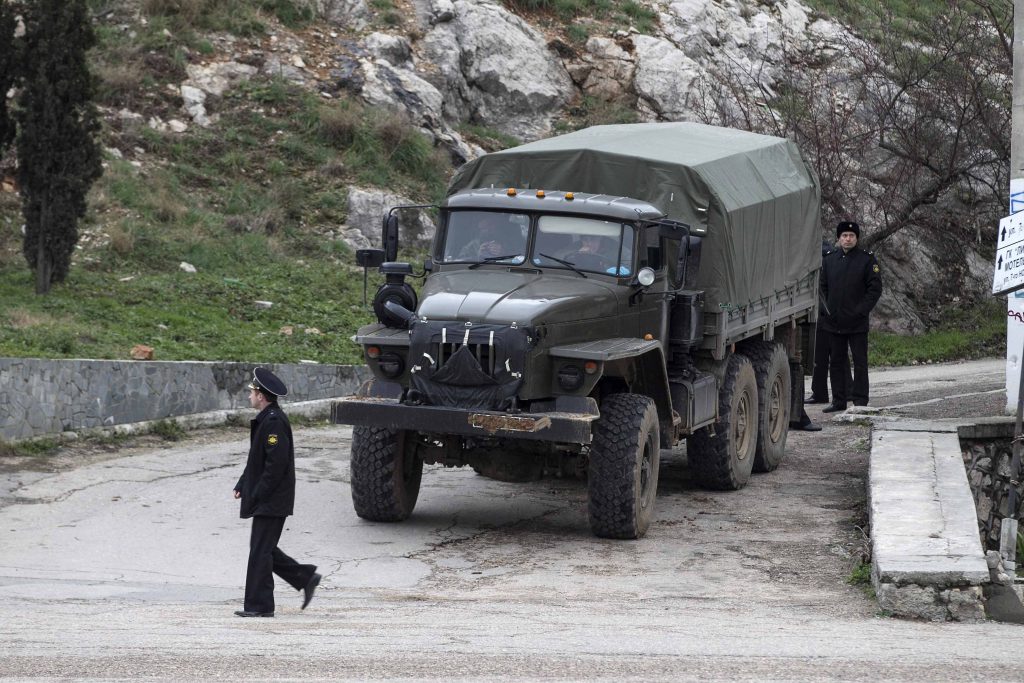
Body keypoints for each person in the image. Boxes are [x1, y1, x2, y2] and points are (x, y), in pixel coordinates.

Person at [233, 367, 321, 617]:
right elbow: (256, 460)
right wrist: (242, 484)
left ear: (261, 396)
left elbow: (276, 464)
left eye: (252, 392)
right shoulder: (266, 420)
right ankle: (305, 577)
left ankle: (260, 606)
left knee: (260, 551)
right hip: (268, 498)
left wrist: (258, 492)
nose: (249, 396)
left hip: (272, 499)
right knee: (264, 548)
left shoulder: (273, 422)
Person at [820, 221, 882, 413]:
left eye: (851, 236)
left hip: (857, 322)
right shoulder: (829, 260)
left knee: (860, 362)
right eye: (844, 235)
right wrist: (826, 311)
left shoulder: (867, 260)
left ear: (857, 238)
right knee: (836, 362)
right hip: (834, 321)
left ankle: (860, 400)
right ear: (839, 238)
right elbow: (822, 288)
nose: (848, 239)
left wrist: (861, 311)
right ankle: (839, 400)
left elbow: (874, 289)